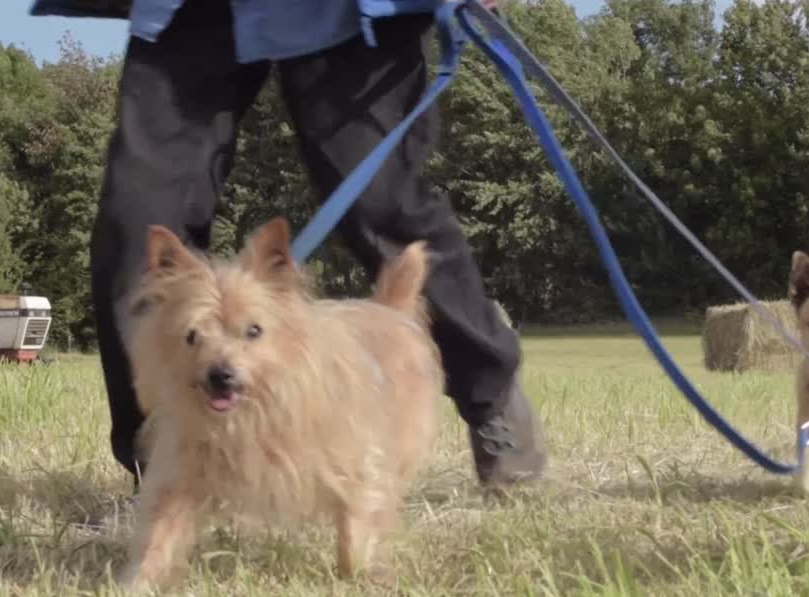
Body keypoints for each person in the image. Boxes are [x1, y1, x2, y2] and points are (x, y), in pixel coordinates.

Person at [28, 0, 547, 491]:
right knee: (138, 227)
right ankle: (165, 467)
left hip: (344, 13)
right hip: (194, 12)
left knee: (383, 207)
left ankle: (490, 395)